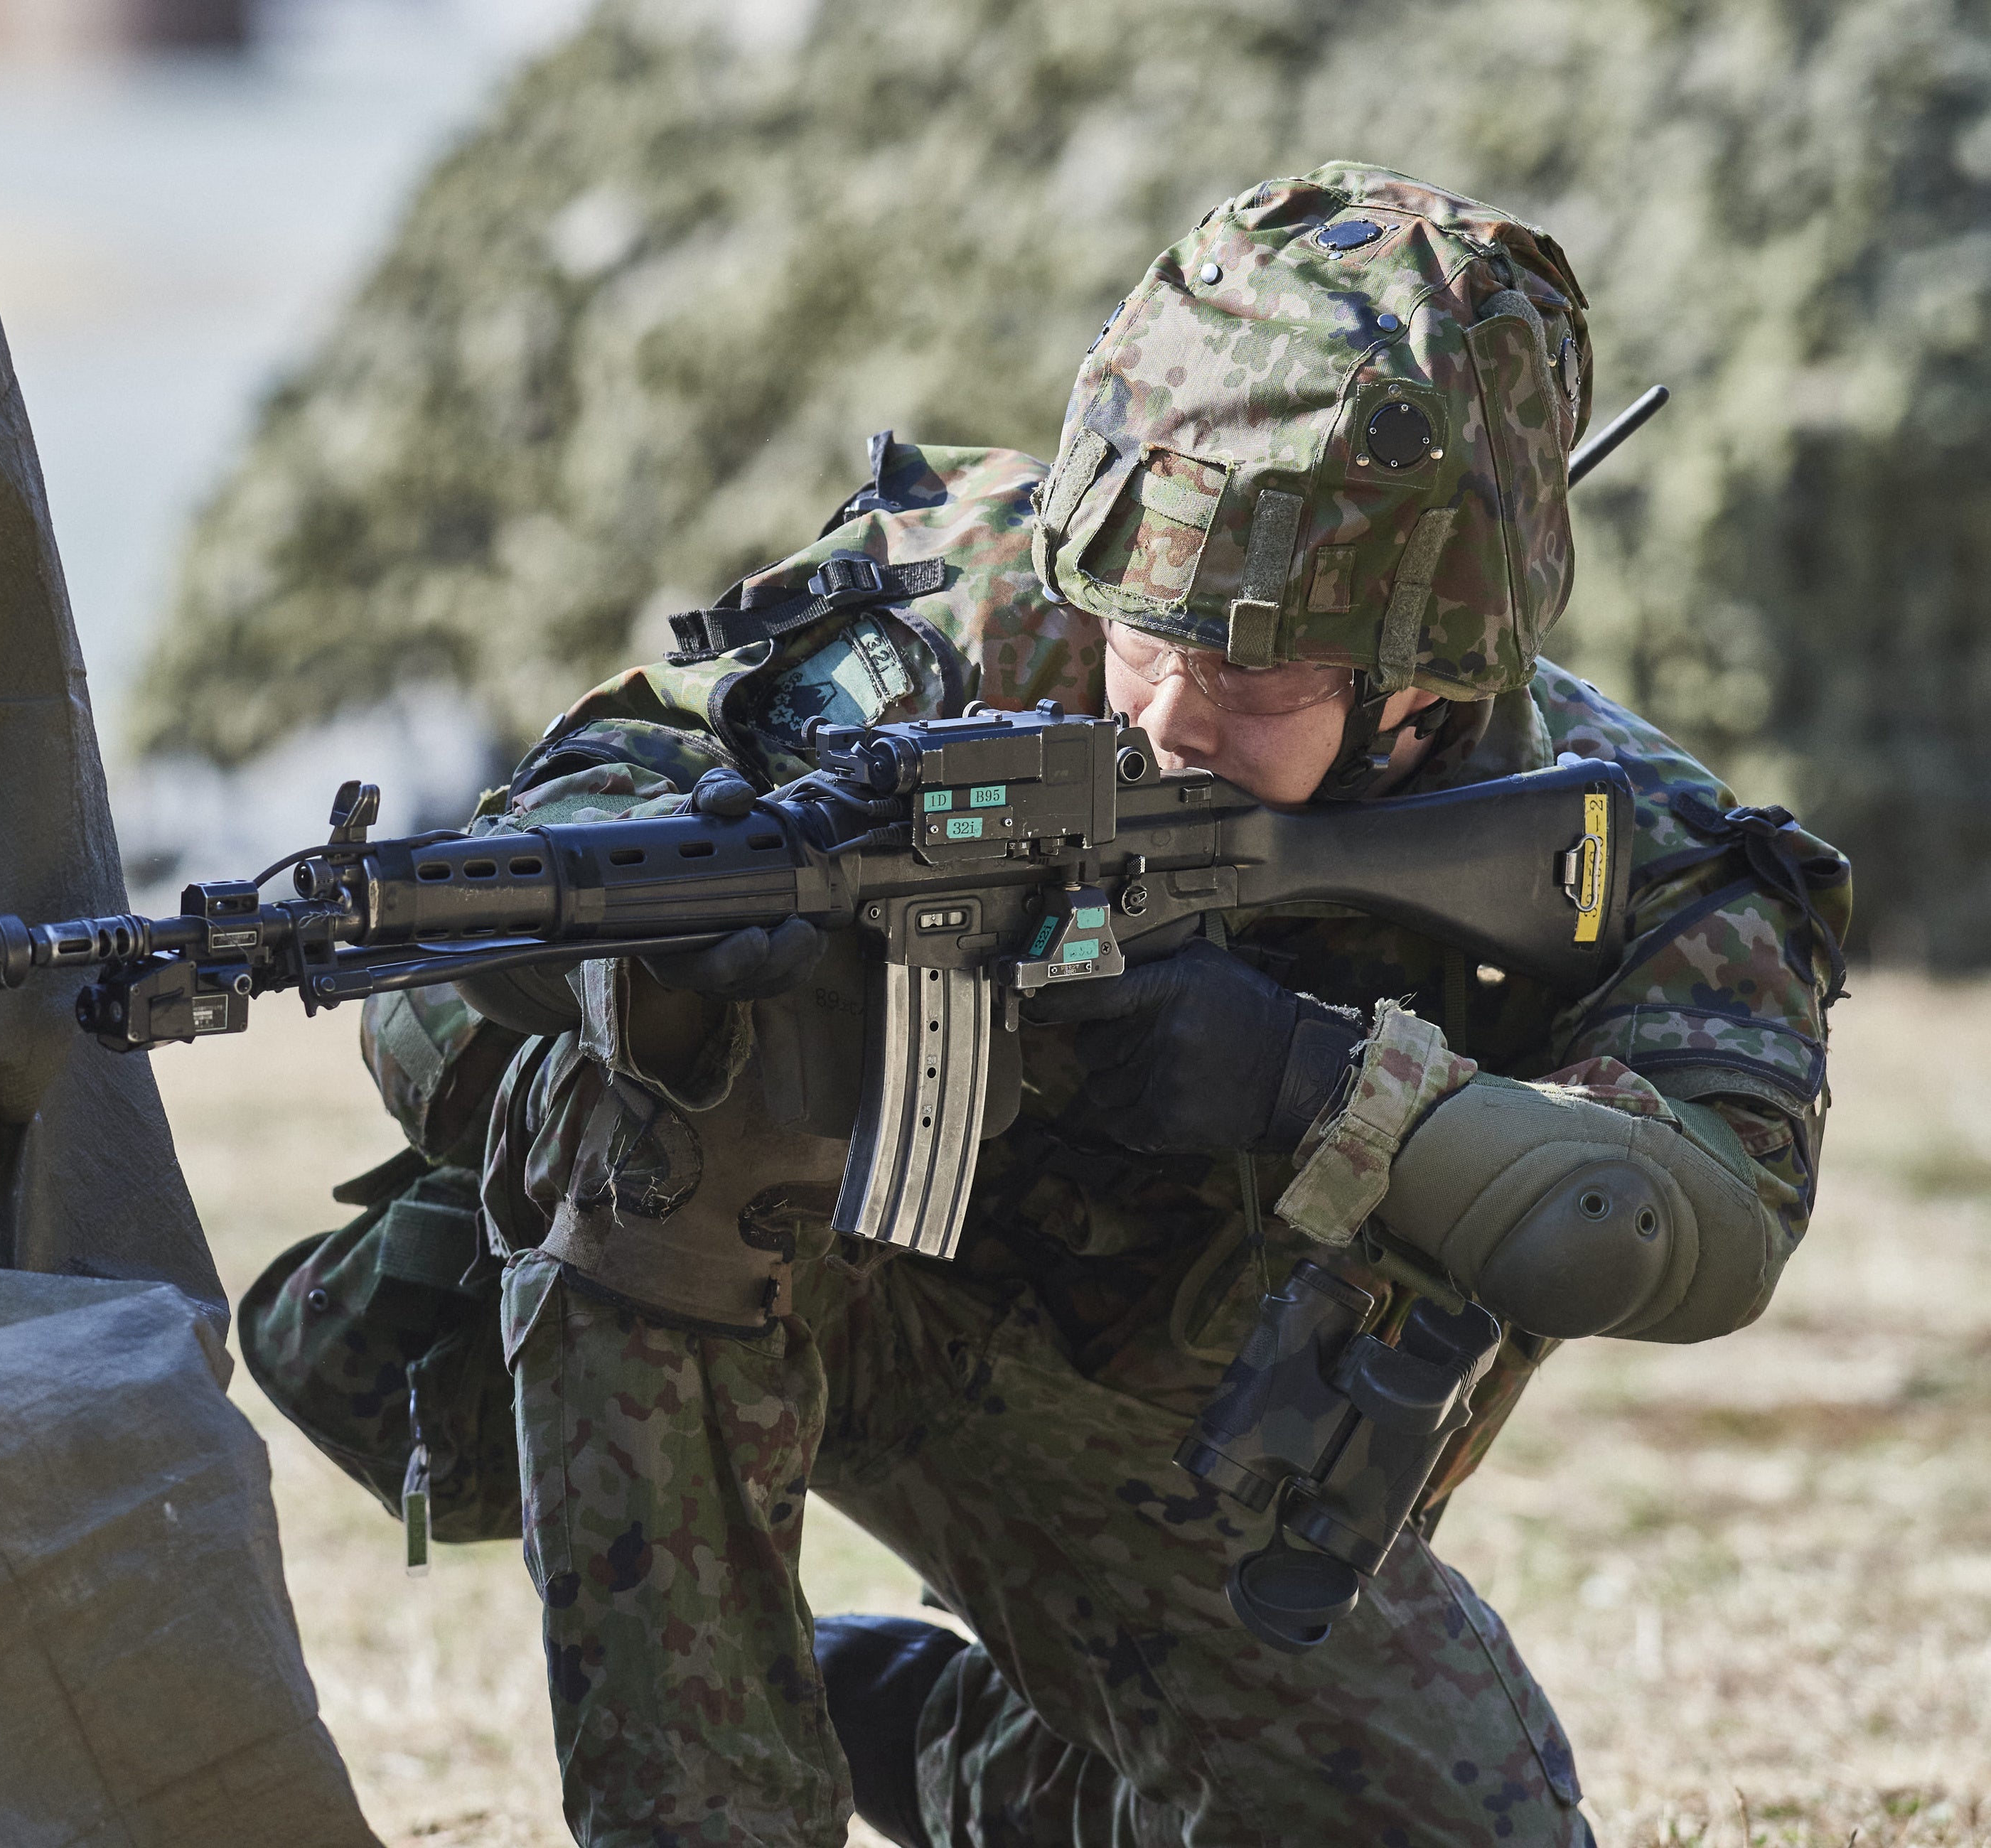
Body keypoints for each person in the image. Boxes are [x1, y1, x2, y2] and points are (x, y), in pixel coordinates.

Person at [242, 162, 1849, 1847]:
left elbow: (1675, 1224)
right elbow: (500, 913)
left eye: (1253, 676)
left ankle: (950, 1744)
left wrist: (1308, 1084)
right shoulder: (967, 602)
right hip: (777, 1283)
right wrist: (704, 974)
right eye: (1144, 635)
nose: (1163, 711)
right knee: (668, 1097)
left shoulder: (1643, 857)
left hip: (1175, 1465)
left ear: (1429, 678)